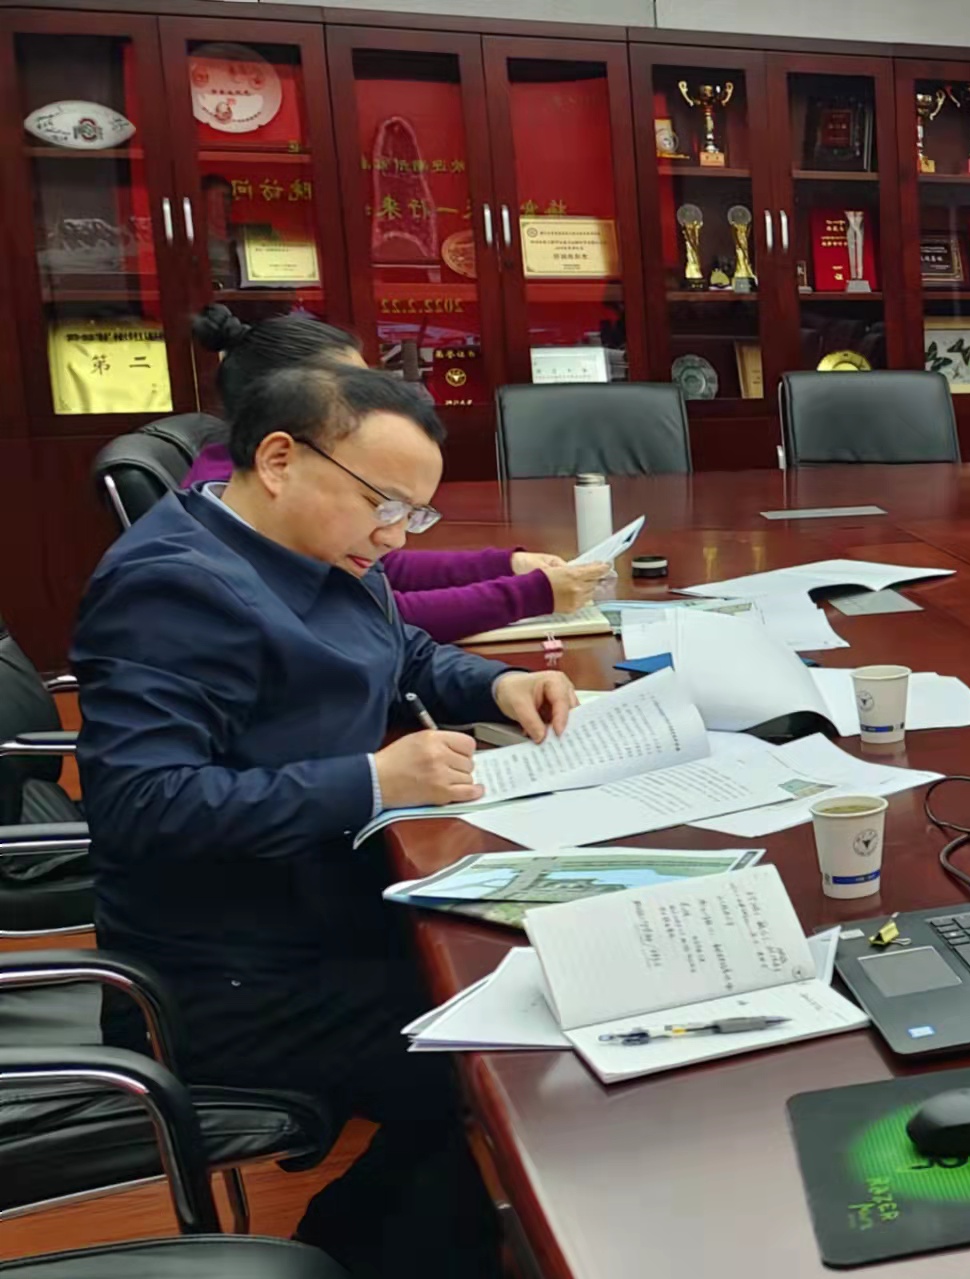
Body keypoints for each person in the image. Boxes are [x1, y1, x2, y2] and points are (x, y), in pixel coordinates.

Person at [75, 362, 579, 1277]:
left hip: (334, 911)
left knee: (546, 982)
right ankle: (372, 1246)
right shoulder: (173, 588)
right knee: (516, 1060)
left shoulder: (317, 548)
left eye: (413, 514)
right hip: (231, 976)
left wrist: (496, 683)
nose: (394, 535)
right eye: (382, 504)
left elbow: (402, 651)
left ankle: (359, 1237)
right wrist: (372, 780)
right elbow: (141, 805)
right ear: (279, 459)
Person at [185, 305, 607, 641]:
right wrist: (531, 593)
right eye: (354, 389)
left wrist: (507, 564)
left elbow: (382, 572)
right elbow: (370, 614)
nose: (374, 404)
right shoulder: (243, 510)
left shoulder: (248, 473)